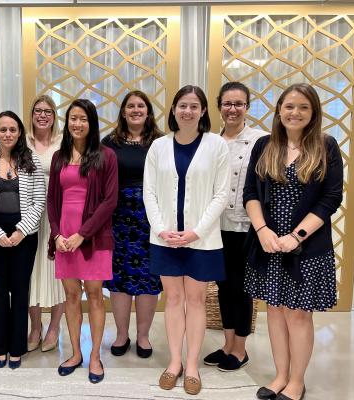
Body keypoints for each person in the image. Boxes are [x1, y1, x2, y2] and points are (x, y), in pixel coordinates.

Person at [244, 83, 342, 400]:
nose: (295, 112)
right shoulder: (264, 145)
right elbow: (250, 194)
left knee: (298, 314)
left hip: (307, 247)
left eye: (303, 107)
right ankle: (280, 375)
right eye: (289, 106)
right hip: (269, 244)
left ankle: (297, 381)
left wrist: (295, 236)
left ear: (313, 113)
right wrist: (263, 231)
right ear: (278, 110)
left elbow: (330, 199)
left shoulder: (326, 146)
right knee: (274, 310)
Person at [143, 85, 229, 396]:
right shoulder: (158, 147)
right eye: (182, 105)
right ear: (174, 110)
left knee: (195, 302)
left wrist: (196, 232)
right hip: (164, 238)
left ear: (204, 111)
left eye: (194, 106)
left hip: (202, 240)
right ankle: (174, 362)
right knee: (173, 301)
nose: (188, 111)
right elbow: (149, 192)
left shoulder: (216, 145)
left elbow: (222, 195)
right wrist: (161, 229)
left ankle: (192, 365)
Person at [47, 99, 118, 384]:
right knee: (72, 296)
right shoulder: (59, 157)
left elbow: (110, 201)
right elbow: (52, 199)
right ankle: (76, 353)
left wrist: (82, 234)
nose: (77, 124)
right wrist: (57, 234)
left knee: (96, 295)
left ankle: (95, 357)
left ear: (92, 123)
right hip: (64, 238)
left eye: (83, 119)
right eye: (73, 118)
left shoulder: (106, 156)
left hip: (94, 237)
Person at [203, 82, 268, 372]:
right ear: (219, 106)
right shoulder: (210, 142)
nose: (232, 109)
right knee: (223, 287)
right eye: (227, 103)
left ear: (247, 107)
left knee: (242, 289)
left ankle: (240, 349)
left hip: (247, 226)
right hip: (216, 227)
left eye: (239, 104)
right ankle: (228, 344)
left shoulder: (261, 140)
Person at [0, 111, 45, 369]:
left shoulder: (31, 161)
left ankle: (17, 347)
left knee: (20, 290)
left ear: (19, 132)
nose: (7, 134)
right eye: (2, 129)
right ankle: (0, 348)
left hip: (23, 236)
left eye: (12, 129)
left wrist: (20, 232)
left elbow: (39, 202)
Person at [101, 90, 163, 359]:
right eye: (131, 106)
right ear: (123, 112)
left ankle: (144, 336)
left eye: (141, 105)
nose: (136, 110)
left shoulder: (161, 143)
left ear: (148, 111)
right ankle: (122, 334)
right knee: (120, 279)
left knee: (149, 279)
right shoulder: (109, 143)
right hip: (118, 220)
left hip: (152, 219)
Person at [26, 95, 65, 353]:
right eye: (38, 110)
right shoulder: (23, 142)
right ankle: (36, 327)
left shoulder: (64, 142)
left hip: (58, 215)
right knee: (30, 273)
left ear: (54, 115)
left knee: (58, 274)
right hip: (29, 216)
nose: (42, 115)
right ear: (32, 115)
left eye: (48, 111)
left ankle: (54, 326)